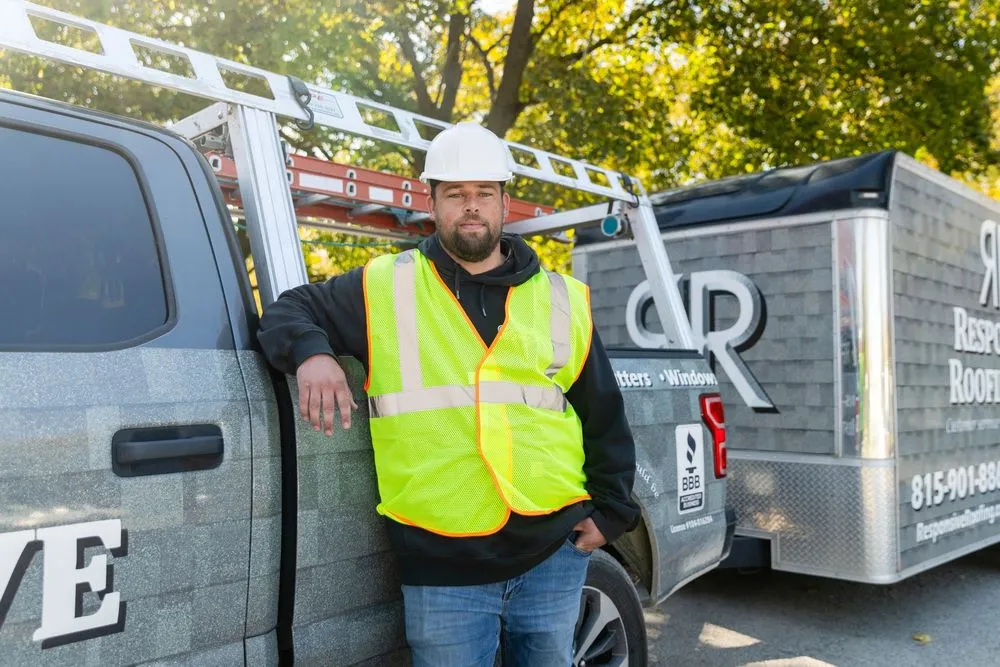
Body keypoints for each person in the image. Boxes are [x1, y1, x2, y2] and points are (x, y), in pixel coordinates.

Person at [256, 122, 639, 667]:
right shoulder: (385, 285)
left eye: (484, 192)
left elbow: (602, 412)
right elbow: (287, 309)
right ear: (432, 202)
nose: (472, 206)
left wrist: (613, 511)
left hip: (553, 551)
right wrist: (311, 353)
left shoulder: (562, 297)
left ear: (504, 202)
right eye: (456, 194)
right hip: (442, 562)